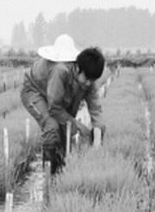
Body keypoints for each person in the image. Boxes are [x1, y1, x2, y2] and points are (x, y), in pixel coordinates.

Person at [21, 34, 106, 174]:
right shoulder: (60, 71)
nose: (89, 83)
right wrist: (78, 125)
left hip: (53, 91)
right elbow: (54, 108)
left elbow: (95, 109)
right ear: (78, 68)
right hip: (34, 90)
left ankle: (62, 170)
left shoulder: (87, 77)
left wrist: (97, 137)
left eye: (92, 80)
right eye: (87, 78)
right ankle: (50, 174)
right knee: (52, 126)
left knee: (66, 129)